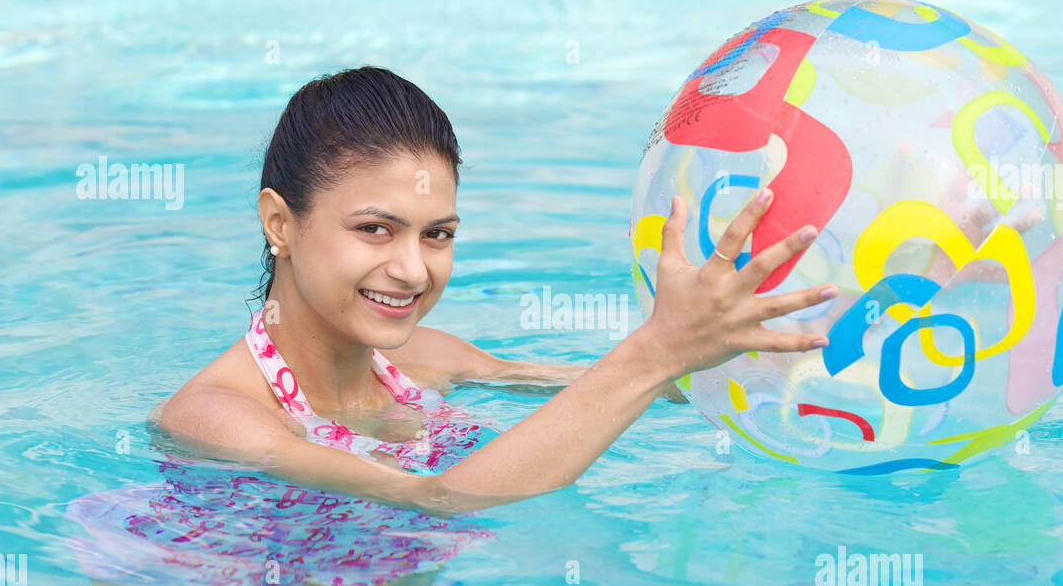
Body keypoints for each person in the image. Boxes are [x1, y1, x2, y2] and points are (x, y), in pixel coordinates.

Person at [150, 66, 838, 518]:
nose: (413, 271)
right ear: (280, 222)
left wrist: (782, 358)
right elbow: (437, 499)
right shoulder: (216, 414)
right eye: (375, 229)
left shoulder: (429, 361)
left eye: (437, 235)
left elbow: (620, 387)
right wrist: (658, 351)